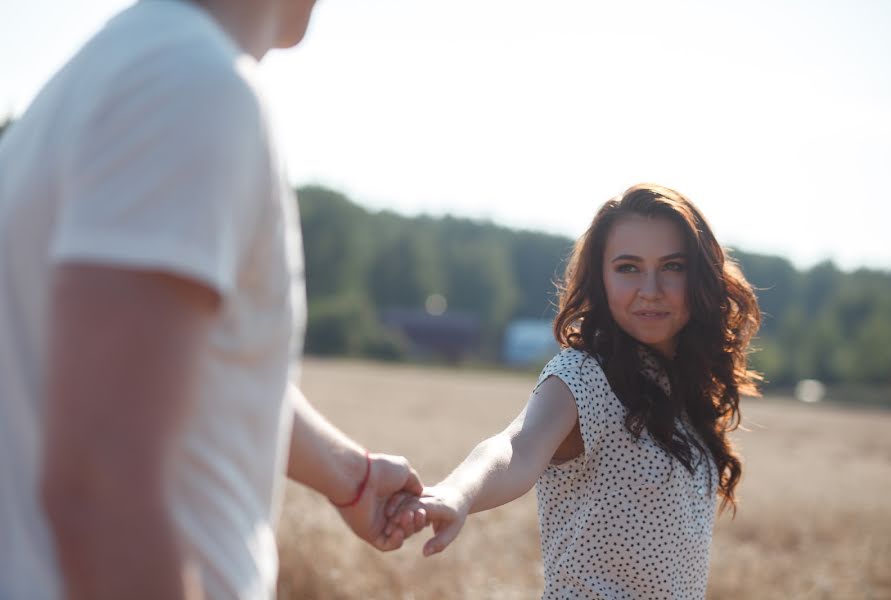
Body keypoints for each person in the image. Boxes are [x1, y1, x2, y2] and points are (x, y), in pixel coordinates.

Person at [0, 1, 426, 598]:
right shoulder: (192, 87)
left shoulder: (119, 70)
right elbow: (101, 484)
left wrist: (350, 477)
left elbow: (172, 362)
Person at [390, 183, 762, 599]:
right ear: (600, 278)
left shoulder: (685, 392)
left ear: (700, 277)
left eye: (672, 266)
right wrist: (456, 493)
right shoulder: (587, 372)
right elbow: (517, 445)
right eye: (628, 267)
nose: (651, 288)